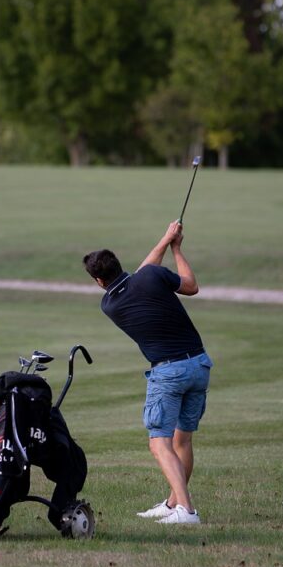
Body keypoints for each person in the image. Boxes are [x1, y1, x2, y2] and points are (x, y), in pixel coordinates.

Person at [82, 221, 212, 525]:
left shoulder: (110, 304)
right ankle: (172, 503)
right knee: (182, 442)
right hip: (199, 365)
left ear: (99, 280)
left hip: (168, 372)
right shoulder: (151, 276)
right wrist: (175, 247)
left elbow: (140, 275)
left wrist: (167, 242)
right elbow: (190, 285)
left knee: (159, 444)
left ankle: (187, 511)